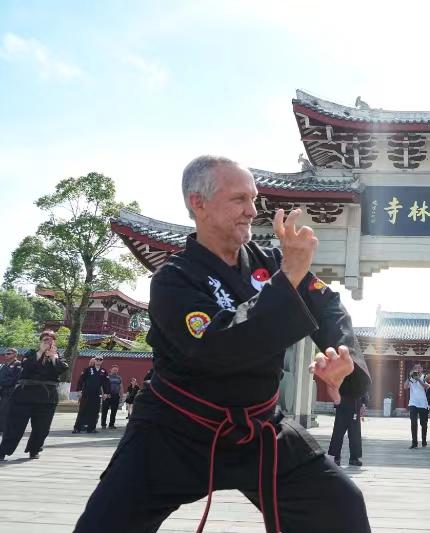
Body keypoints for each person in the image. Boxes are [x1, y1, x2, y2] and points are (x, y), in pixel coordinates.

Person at [74, 155, 372, 533]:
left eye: (253, 199)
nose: (252, 210)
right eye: (239, 200)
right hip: (176, 431)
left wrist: (341, 356)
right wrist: (289, 277)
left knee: (339, 504)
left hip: (259, 426)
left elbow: (327, 304)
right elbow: (219, 344)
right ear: (198, 203)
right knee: (103, 525)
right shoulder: (174, 280)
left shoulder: (273, 263)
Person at [0, 330, 68, 460]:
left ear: (54, 342)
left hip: (47, 396)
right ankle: (3, 450)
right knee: (15, 425)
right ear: (40, 341)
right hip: (25, 394)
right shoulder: (31, 353)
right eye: (45, 340)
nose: (47, 342)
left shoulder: (58, 356)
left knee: (42, 428)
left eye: (50, 340)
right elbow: (26, 365)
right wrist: (40, 352)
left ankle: (34, 449)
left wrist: (54, 357)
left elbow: (62, 369)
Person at [327, 391, 365, 467]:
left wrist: (363, 403)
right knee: (338, 433)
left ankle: (354, 458)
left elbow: (364, 388)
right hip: (342, 406)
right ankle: (336, 457)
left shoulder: (359, 379)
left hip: (355, 407)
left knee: (355, 434)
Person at [73, 356, 109, 434]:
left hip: (96, 393)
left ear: (102, 361)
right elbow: (81, 380)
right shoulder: (88, 369)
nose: (98, 361)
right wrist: (79, 390)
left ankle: (91, 428)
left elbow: (106, 383)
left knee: (95, 411)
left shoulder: (104, 371)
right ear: (95, 361)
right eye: (97, 359)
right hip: (86, 392)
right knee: (82, 410)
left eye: (100, 360)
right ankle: (77, 428)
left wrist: (106, 393)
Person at [403, 363, 429, 449]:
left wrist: (418, 379)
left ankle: (424, 441)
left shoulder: (425, 377)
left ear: (422, 369)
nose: (417, 369)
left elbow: (426, 387)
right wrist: (409, 377)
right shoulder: (411, 378)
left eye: (419, 368)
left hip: (423, 403)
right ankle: (414, 442)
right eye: (415, 368)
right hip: (413, 403)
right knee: (413, 422)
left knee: (423, 424)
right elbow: (405, 387)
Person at [0, 348, 23, 433]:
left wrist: (2, 383)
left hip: (11, 392)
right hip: (3, 392)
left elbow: (15, 379)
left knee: (7, 411)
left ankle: (6, 429)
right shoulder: (4, 365)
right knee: (2, 410)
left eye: (9, 353)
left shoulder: (18, 365)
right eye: (5, 353)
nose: (6, 355)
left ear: (15, 355)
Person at [101, 365, 123, 429]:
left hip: (115, 396)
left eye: (116, 370)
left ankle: (111, 424)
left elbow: (121, 387)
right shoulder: (107, 376)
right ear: (111, 370)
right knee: (104, 411)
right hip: (107, 395)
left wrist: (121, 396)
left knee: (114, 411)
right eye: (114, 370)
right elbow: (103, 386)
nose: (115, 371)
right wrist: (103, 394)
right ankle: (103, 424)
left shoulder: (119, 378)